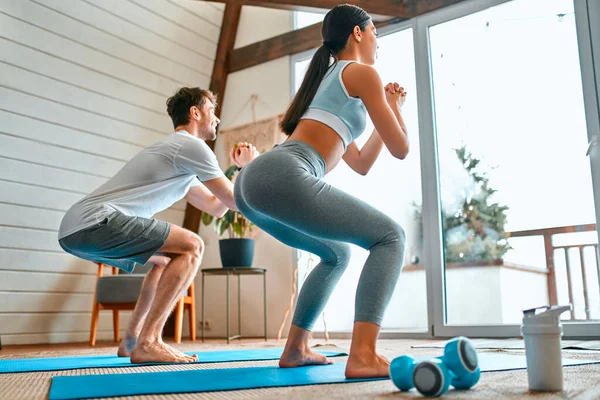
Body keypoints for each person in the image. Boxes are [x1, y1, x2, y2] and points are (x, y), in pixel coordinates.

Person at [232, 4, 409, 378]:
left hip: (251, 183)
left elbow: (360, 163)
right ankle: (363, 354)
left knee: (337, 255)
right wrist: (396, 109)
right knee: (391, 237)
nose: (378, 40)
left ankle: (296, 348)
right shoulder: (362, 73)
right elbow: (402, 148)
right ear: (358, 33)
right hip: (283, 172)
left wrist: (389, 109)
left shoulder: (329, 80)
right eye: (374, 31)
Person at [58, 87, 258, 363]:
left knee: (164, 260)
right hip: (95, 221)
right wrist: (249, 166)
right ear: (195, 113)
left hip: (74, 230)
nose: (217, 119)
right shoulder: (190, 146)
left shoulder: (180, 158)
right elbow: (235, 201)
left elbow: (217, 206)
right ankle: (149, 342)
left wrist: (237, 169)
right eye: (212, 111)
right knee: (193, 246)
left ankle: (132, 340)